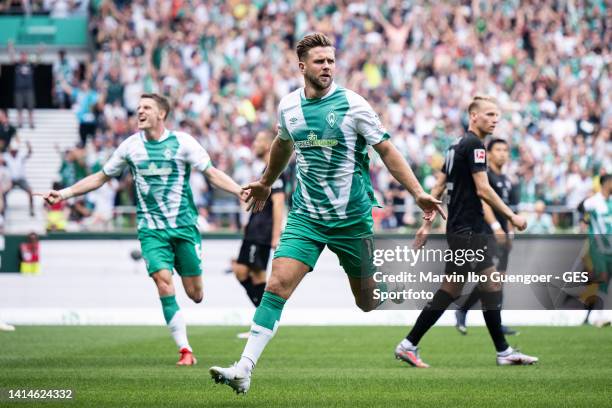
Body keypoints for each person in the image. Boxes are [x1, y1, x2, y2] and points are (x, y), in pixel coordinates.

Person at [209, 32, 443, 394]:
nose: (328, 66)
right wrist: (266, 181)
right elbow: (282, 144)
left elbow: (388, 150)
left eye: (331, 60)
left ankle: (388, 286)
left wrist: (418, 193)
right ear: (302, 66)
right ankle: (244, 368)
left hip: (352, 220)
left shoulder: (354, 105)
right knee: (276, 285)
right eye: (320, 61)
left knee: (366, 302)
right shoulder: (289, 106)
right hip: (307, 217)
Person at [43, 93, 244, 366]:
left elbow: (212, 173)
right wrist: (64, 194)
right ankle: (185, 349)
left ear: (161, 113)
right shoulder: (130, 147)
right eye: (138, 107)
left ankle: (188, 307)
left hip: (184, 227)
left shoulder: (183, 143)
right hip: (151, 230)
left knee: (195, 294)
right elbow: (101, 177)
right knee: (163, 281)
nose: (140, 111)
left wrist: (239, 191)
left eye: (146, 107)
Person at [394, 95, 538, 368]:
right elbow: (483, 189)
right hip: (468, 230)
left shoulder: (454, 147)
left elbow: (437, 189)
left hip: (458, 229)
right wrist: (511, 216)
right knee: (490, 284)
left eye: (497, 115)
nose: (495, 120)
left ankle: (409, 344)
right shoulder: (475, 146)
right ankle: (503, 352)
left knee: (453, 288)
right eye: (489, 114)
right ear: (474, 116)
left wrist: (426, 226)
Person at [455, 139, 518, 336]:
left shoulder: (508, 181)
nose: (502, 153)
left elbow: (509, 210)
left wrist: (509, 231)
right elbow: (485, 204)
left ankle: (490, 320)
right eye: (498, 149)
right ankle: (464, 310)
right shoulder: (486, 177)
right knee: (491, 279)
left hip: (503, 234)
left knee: (498, 280)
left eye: (505, 150)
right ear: (489, 154)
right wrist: (496, 226)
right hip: (486, 233)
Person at [232, 131, 286, 339]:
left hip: (262, 232)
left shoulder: (277, 171)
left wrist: (275, 236)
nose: (254, 144)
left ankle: (262, 325)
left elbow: (279, 204)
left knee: (254, 274)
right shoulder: (266, 170)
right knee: (243, 271)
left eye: (257, 140)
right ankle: (263, 322)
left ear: (268, 144)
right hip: (254, 230)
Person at [580, 174, 612, 326]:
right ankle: (599, 316)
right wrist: (585, 219)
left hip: (610, 247)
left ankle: (595, 315)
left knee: (603, 282)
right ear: (607, 184)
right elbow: (581, 207)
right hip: (597, 246)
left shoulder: (610, 201)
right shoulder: (593, 201)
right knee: (602, 277)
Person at [3, 141, 35, 217]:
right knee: (3, 193)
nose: (14, 153)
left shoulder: (20, 155)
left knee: (30, 192)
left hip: (21, 179)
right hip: (11, 180)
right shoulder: (6, 156)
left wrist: (29, 146)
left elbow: (29, 153)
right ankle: (4, 209)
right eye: (13, 151)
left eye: (15, 151)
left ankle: (31, 209)